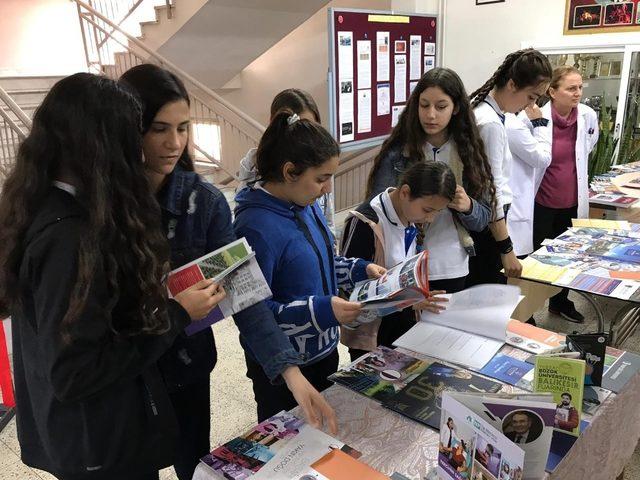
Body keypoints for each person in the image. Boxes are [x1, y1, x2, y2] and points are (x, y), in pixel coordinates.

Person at [120, 64, 337, 480]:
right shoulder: (103, 206)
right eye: (159, 129)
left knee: (192, 465)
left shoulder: (203, 204)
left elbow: (246, 292)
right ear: (128, 129)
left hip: (185, 368)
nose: (174, 143)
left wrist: (290, 373)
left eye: (183, 128)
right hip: (124, 374)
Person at [0, 73, 221, 479]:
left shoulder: (38, 204)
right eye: (137, 138)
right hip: (99, 443)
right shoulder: (70, 237)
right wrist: (176, 314)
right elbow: (76, 370)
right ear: (105, 147)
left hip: (83, 433)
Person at [234, 109, 385, 421]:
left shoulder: (306, 204)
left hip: (324, 350)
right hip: (283, 366)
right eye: (321, 179)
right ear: (290, 172)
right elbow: (254, 312)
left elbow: (323, 262)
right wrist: (322, 310)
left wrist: (359, 269)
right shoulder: (254, 227)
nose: (327, 189)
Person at [366, 67, 495, 300]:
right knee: (402, 333)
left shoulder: (469, 153)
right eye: (424, 105)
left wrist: (467, 206)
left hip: (450, 264)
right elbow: (376, 212)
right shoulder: (398, 151)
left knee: (442, 333)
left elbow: (484, 218)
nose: (431, 115)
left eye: (441, 106)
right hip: (402, 265)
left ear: (456, 108)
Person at [341, 161, 455, 359]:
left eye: (437, 212)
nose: (430, 219)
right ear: (405, 192)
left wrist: (418, 297)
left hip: (403, 326)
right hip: (371, 337)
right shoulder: (365, 222)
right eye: (428, 210)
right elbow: (353, 292)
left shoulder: (410, 214)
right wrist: (409, 302)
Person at [468, 48, 552, 286]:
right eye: (532, 97)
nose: (531, 105)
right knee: (488, 296)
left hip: (487, 221)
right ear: (513, 85)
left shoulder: (488, 113)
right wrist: (506, 248)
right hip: (488, 228)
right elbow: (491, 189)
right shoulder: (491, 124)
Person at [533, 66, 599, 323]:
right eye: (571, 88)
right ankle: (529, 309)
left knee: (567, 258)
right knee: (538, 259)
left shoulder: (586, 115)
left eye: (580, 87)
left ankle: (560, 303)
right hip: (542, 203)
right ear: (552, 91)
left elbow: (588, 147)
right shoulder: (537, 116)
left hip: (572, 202)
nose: (578, 93)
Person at [236, 88, 334, 231]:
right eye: (299, 129)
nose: (309, 139)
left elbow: (327, 225)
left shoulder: (321, 169)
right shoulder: (254, 191)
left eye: (312, 129)